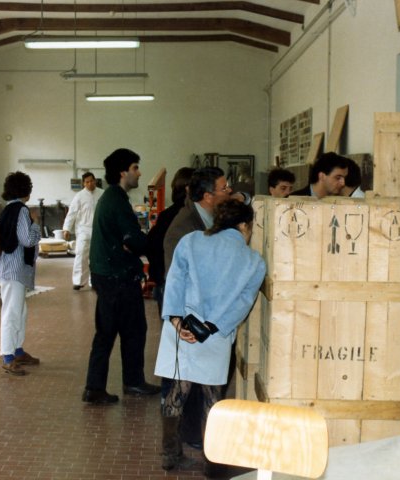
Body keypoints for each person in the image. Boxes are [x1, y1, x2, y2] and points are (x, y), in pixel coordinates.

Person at [155, 199, 266, 472]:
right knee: (211, 398)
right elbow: (243, 303)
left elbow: (175, 281)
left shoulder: (191, 241)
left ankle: (170, 455)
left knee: (176, 392)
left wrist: (177, 319)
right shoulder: (254, 261)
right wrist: (214, 327)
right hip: (214, 336)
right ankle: (213, 464)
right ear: (243, 225)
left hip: (180, 329)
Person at [82, 148, 160, 405]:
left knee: (114, 331)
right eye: (136, 168)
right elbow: (134, 241)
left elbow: (129, 241)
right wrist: (148, 242)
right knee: (132, 330)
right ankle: (127, 383)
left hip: (109, 274)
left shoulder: (112, 198)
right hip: (117, 277)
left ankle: (104, 385)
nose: (139, 173)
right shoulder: (116, 200)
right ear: (123, 172)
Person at [0, 171, 42, 376]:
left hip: (11, 268)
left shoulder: (8, 209)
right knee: (12, 312)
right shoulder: (21, 211)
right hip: (13, 270)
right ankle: (7, 356)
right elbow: (27, 240)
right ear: (26, 190)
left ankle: (18, 350)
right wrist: (36, 223)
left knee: (20, 311)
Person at [146, 166, 195, 314]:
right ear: (188, 189)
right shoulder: (188, 217)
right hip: (179, 286)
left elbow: (151, 246)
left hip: (166, 282)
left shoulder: (166, 215)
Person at [62, 172, 104, 290]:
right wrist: (66, 229)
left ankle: (94, 281)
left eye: (92, 181)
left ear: (95, 181)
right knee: (81, 254)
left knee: (97, 257)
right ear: (83, 183)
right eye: (87, 182)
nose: (90, 184)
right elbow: (72, 213)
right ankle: (78, 281)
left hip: (98, 230)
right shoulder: (79, 196)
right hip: (83, 230)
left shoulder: (102, 194)